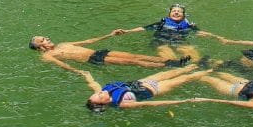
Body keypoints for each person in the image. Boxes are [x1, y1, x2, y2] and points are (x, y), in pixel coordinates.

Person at [29, 33, 189, 74]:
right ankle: (167, 67)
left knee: (134, 56)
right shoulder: (47, 56)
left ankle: (173, 62)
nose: (48, 38)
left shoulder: (63, 44)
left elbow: (89, 41)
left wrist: (110, 35)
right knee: (134, 62)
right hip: (93, 60)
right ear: (39, 46)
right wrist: (78, 71)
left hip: (98, 51)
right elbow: (62, 65)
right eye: (44, 39)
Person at [82, 64, 210, 111]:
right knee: (185, 78)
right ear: (103, 104)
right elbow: (151, 104)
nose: (101, 92)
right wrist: (183, 101)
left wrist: (86, 75)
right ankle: (211, 70)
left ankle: (198, 65)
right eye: (100, 96)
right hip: (155, 89)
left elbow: (94, 84)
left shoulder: (104, 92)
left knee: (174, 72)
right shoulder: (122, 103)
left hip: (142, 82)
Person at [113, 4, 201, 61]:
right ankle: (179, 67)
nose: (176, 12)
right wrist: (127, 31)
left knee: (193, 54)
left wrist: (214, 36)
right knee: (171, 59)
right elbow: (144, 28)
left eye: (179, 11)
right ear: (169, 15)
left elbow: (201, 33)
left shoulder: (189, 25)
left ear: (184, 15)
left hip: (179, 42)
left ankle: (197, 68)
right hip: (161, 42)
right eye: (174, 11)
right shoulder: (161, 23)